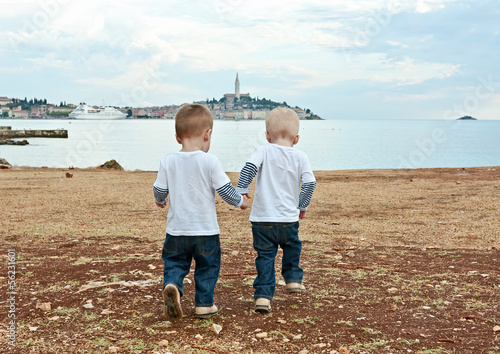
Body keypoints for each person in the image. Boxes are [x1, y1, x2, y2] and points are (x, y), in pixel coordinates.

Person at [153, 104, 247, 321]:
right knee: (207, 266)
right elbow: (224, 190)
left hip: (176, 231)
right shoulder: (210, 161)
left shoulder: (168, 161)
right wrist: (240, 202)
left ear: (177, 137)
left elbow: (159, 189)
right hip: (205, 231)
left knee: (175, 262)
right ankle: (204, 305)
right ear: (208, 134)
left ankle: (173, 285)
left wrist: (161, 200)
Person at [236, 107, 316, 313]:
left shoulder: (263, 149)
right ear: (296, 139)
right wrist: (302, 205)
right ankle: (292, 279)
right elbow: (309, 183)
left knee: (265, 257)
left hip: (262, 220)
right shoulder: (301, 156)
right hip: (289, 219)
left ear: (267, 135)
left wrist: (243, 188)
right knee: (292, 246)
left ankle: (263, 297)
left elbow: (249, 168)